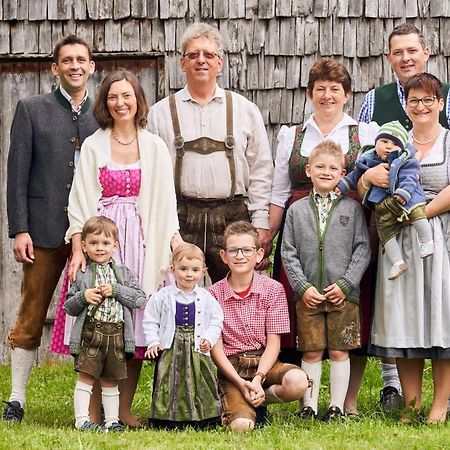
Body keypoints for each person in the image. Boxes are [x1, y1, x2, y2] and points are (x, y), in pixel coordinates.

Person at [54, 70, 180, 427]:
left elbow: (165, 202)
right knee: (97, 325)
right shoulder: (94, 144)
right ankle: (91, 412)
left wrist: (173, 241)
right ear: (105, 103)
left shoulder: (153, 145)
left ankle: (122, 410)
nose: (120, 103)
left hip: (142, 240)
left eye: (127, 96)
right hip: (103, 239)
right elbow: (79, 200)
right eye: (113, 97)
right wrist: (78, 247)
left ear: (138, 101)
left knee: (134, 327)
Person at [269, 58, 375, 415]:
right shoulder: (293, 134)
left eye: (335, 88)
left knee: (347, 330)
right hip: (302, 231)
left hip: (348, 231)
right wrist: (267, 234)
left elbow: (379, 179)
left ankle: (345, 402)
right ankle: (308, 403)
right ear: (311, 93)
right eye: (320, 89)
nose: (327, 95)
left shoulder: (364, 133)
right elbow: (278, 192)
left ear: (346, 94)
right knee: (310, 331)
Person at [3, 35, 97, 423]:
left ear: (92, 67)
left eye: (82, 60)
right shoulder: (31, 109)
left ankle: (89, 404)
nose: (75, 66)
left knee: (93, 316)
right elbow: (17, 174)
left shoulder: (103, 112)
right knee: (31, 312)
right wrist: (19, 229)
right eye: (67, 60)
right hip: (41, 230)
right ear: (54, 68)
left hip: (91, 236)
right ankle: (17, 398)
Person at [359, 23, 450, 412]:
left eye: (429, 100)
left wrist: (417, 214)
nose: (421, 106)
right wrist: (366, 178)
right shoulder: (392, 140)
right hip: (397, 238)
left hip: (440, 235)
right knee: (405, 318)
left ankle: (439, 405)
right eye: (415, 101)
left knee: (442, 318)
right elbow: (363, 175)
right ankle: (410, 402)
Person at [148, 22, 273, 282]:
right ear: (182, 63)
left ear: (220, 63)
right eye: (193, 55)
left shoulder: (244, 109)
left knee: (234, 299)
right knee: (176, 297)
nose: (201, 61)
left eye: (209, 55)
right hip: (179, 218)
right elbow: (150, 176)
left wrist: (261, 222)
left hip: (232, 216)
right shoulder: (160, 113)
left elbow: (261, 169)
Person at [281, 141, 371, 421]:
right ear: (308, 170)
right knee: (311, 350)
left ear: (343, 173)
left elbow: (362, 249)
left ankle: (337, 407)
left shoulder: (352, 208)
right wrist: (301, 287)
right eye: (319, 166)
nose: (326, 171)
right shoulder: (296, 210)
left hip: (342, 295)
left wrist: (346, 284)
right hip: (309, 294)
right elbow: (288, 251)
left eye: (333, 168)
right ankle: (308, 406)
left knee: (339, 350)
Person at [209, 221, 309, 433]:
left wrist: (257, 379)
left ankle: (259, 400)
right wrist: (240, 381)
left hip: (264, 362)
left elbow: (274, 343)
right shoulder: (212, 295)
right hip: (231, 367)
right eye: (233, 251)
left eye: (247, 250)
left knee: (298, 382)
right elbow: (215, 349)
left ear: (259, 254)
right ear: (224, 256)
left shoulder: (273, 289)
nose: (240, 256)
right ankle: (237, 402)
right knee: (242, 428)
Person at [64, 217, 146, 432]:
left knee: (111, 380)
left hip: (115, 334)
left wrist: (117, 290)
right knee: (86, 377)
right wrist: (83, 296)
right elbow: (69, 307)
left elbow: (139, 299)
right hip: (91, 332)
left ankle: (112, 421)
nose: (99, 248)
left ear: (115, 246)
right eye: (93, 243)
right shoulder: (82, 274)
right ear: (84, 245)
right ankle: (82, 420)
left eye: (105, 243)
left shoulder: (124, 273)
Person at [336, 121, 433, 280]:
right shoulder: (367, 159)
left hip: (406, 197)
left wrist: (404, 192)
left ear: (402, 148)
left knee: (417, 212)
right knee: (385, 231)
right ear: (376, 143)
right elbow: (354, 175)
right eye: (384, 141)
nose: (388, 146)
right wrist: (342, 185)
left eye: (395, 144)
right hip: (383, 204)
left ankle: (426, 241)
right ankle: (397, 262)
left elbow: (410, 178)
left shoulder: (405, 160)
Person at [143, 243, 223, 429]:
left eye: (195, 270)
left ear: (203, 272)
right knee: (170, 380)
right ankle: (168, 418)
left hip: (196, 347)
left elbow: (216, 320)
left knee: (199, 379)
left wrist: (209, 339)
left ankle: (202, 417)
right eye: (183, 269)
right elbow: (150, 320)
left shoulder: (205, 297)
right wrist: (154, 342)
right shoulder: (163, 296)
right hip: (171, 346)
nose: (189, 274)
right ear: (173, 270)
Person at [359, 23, 450, 130]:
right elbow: (360, 145)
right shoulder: (372, 100)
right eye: (398, 52)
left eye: (412, 51)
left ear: (425, 54)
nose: (405, 58)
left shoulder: (448, 96)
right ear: (389, 58)